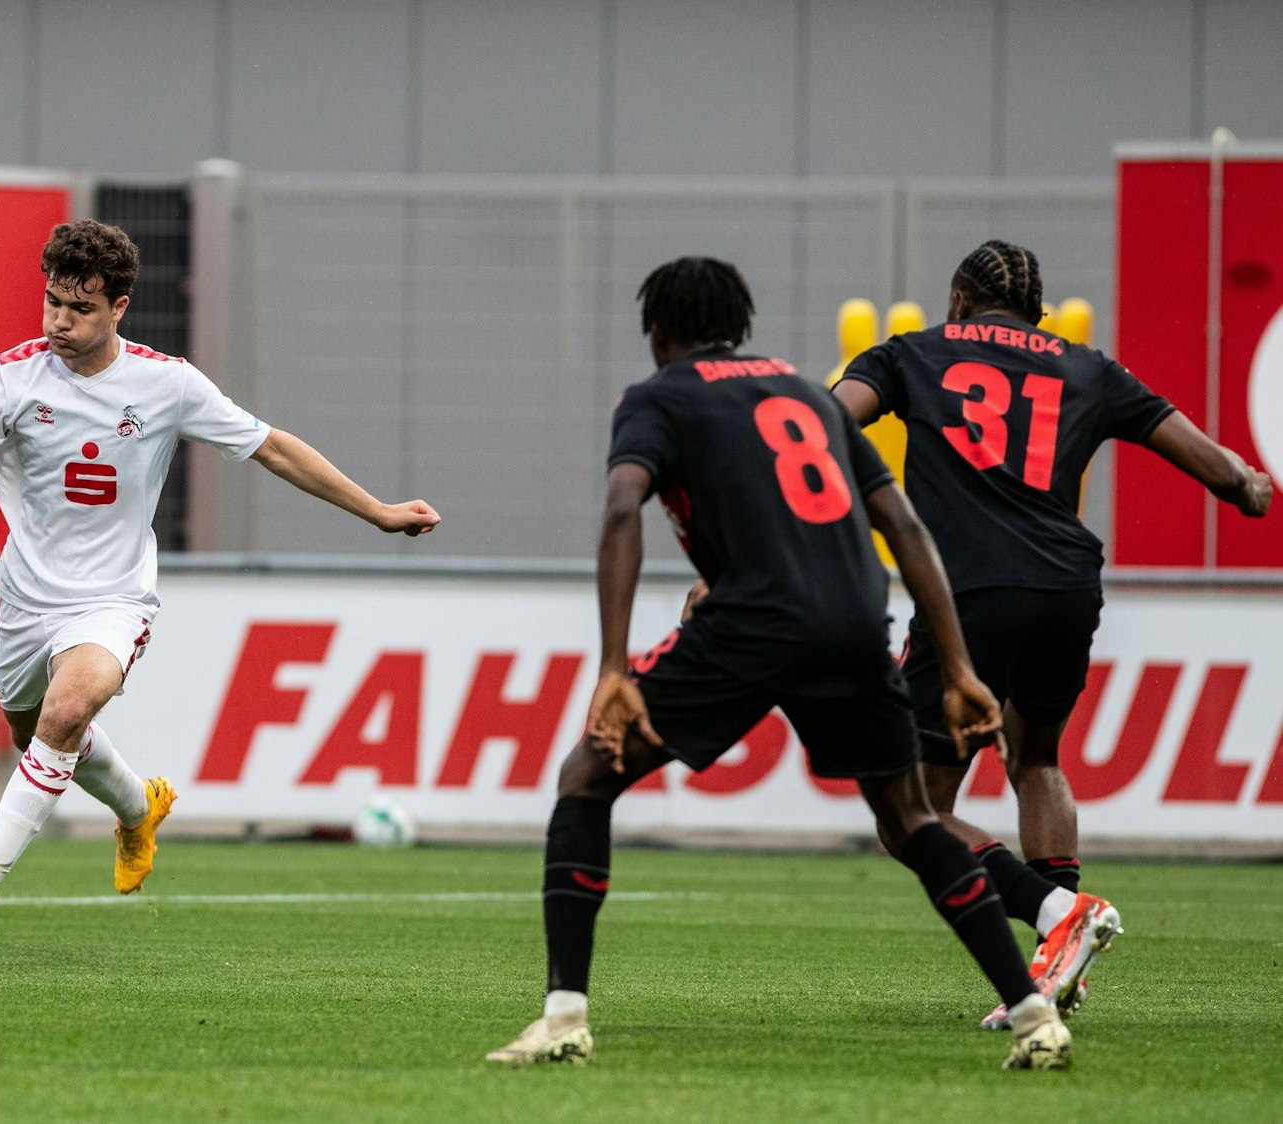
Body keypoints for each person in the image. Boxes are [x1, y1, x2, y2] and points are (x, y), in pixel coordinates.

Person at [487, 257, 1073, 1072]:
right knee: (910, 820)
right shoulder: (805, 392)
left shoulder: (658, 397)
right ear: (740, 325)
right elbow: (902, 524)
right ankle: (1032, 1014)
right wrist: (962, 668)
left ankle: (561, 1019)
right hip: (853, 623)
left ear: (658, 333)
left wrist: (614, 663)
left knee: (587, 776)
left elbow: (623, 506)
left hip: (750, 624)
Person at [0, 219, 439, 939]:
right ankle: (138, 808)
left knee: (65, 712)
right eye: (52, 301)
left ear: (119, 307)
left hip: (112, 599)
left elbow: (270, 448)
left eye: (79, 308)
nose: (59, 320)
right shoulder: (12, 378)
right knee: (39, 736)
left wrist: (376, 512)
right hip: (25, 597)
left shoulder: (165, 384)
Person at [834, 240, 1271, 1027]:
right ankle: (1057, 959)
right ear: (1038, 315)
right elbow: (1218, 472)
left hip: (964, 592)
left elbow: (828, 424)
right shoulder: (1086, 367)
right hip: (1067, 587)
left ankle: (1052, 914)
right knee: (1035, 755)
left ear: (959, 303)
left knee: (910, 815)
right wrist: (1250, 486)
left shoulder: (910, 353)